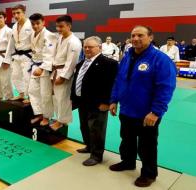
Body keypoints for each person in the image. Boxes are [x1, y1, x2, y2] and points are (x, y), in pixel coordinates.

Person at [109, 25, 176, 187]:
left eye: (140, 35)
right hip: (126, 109)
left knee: (147, 145)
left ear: (150, 38)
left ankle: (149, 173)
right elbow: (119, 80)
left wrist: (156, 112)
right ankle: (128, 162)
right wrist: (113, 100)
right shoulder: (127, 56)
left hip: (147, 113)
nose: (136, 39)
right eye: (133, 35)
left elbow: (165, 88)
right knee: (127, 140)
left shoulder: (160, 59)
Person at [71, 36, 118, 166]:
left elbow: (111, 84)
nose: (87, 49)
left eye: (90, 47)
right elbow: (77, 81)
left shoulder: (109, 63)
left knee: (96, 129)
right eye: (85, 46)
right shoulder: (81, 63)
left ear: (99, 48)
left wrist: (107, 102)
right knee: (84, 126)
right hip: (82, 101)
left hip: (98, 103)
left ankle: (97, 155)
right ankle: (89, 146)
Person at [50, 15, 82, 130]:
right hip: (55, 70)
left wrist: (63, 76)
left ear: (69, 26)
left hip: (64, 72)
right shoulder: (60, 38)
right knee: (56, 97)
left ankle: (61, 121)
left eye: (61, 26)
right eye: (57, 26)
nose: (58, 29)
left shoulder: (74, 42)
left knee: (63, 98)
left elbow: (72, 61)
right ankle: (59, 118)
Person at [27, 13, 56, 126]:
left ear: (43, 22)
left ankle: (47, 117)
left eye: (37, 23)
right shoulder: (32, 34)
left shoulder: (49, 35)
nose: (35, 26)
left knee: (45, 94)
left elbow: (50, 54)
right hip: (35, 65)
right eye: (33, 24)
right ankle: (38, 114)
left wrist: (42, 68)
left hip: (45, 67)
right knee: (32, 91)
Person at [3, 4, 33, 103]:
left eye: (18, 13)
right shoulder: (15, 26)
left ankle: (29, 97)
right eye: (14, 13)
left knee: (27, 77)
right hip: (17, 55)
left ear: (24, 12)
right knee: (15, 75)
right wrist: (6, 59)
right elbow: (11, 43)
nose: (16, 15)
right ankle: (21, 94)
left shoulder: (31, 25)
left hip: (28, 55)